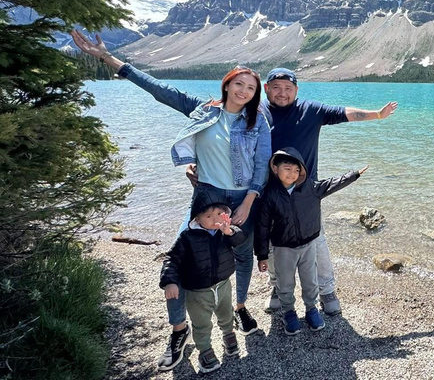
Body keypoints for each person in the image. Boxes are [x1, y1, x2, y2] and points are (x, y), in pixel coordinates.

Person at [70, 30, 271, 371]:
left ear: (255, 94)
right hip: (207, 196)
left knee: (241, 255)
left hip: (242, 199)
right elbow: (160, 90)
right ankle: (179, 329)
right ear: (227, 85)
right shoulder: (202, 110)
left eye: (251, 88)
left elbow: (262, 165)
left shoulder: (257, 121)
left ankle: (238, 307)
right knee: (180, 257)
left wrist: (249, 202)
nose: (244, 91)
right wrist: (107, 58)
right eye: (239, 84)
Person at [189, 66, 397, 316]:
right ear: (266, 89)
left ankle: (327, 291)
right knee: (272, 243)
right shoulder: (256, 112)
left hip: (304, 193)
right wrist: (198, 163)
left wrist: (378, 115)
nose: (282, 93)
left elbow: (344, 113)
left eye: (288, 88)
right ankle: (278, 288)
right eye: (276, 87)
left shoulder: (311, 110)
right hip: (267, 192)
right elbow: (223, 134)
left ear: (296, 90)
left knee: (316, 242)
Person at [255, 148, 367, 335]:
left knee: (310, 281)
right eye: (287, 169)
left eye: (296, 170)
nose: (292, 174)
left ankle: (311, 309)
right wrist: (262, 255)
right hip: (283, 248)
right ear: (275, 169)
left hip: (308, 245)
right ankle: (289, 312)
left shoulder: (311, 188)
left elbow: (332, 184)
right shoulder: (270, 195)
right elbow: (262, 226)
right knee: (285, 283)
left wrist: (353, 175)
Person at [160, 191, 246, 374]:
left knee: (226, 314)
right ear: (197, 219)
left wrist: (229, 232)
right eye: (208, 216)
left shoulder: (225, 232)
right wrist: (170, 282)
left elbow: (240, 240)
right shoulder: (187, 238)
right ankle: (205, 350)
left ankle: (229, 335)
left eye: (219, 214)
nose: (215, 219)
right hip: (198, 291)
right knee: (201, 323)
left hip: (223, 285)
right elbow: (172, 259)